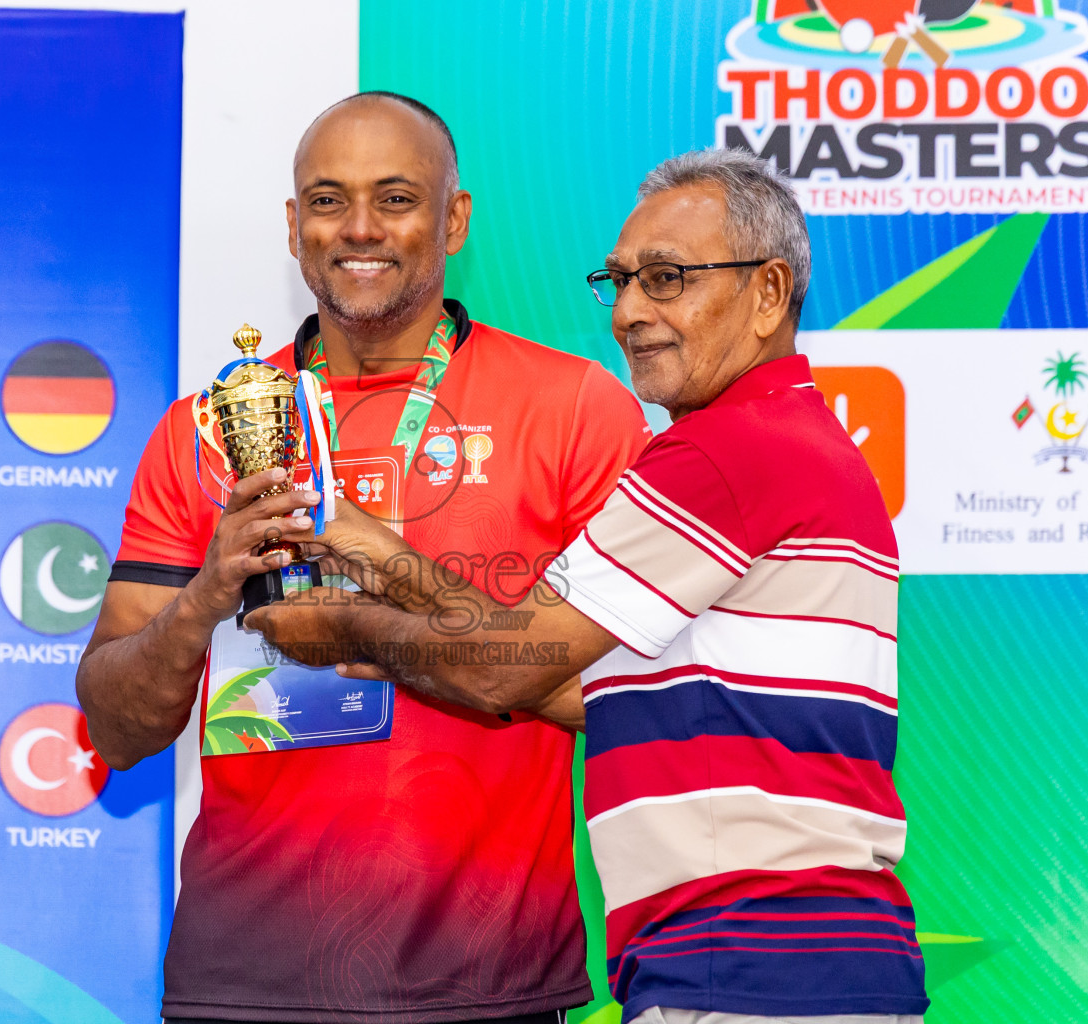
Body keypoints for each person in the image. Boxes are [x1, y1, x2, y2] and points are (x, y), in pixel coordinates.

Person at [249, 148, 930, 1024]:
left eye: (668, 279)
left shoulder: (723, 453)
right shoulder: (787, 439)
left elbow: (508, 667)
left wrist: (347, 629)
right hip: (792, 959)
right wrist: (383, 556)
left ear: (768, 293)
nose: (632, 314)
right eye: (621, 283)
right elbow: (559, 670)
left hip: (752, 960)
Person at [76, 91, 649, 1024]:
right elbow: (113, 728)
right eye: (330, 200)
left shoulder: (576, 408)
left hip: (487, 977)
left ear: (454, 219)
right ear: (295, 227)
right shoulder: (205, 429)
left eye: (395, 198)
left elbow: (620, 699)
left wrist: (378, 627)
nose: (360, 229)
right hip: (245, 979)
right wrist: (204, 600)